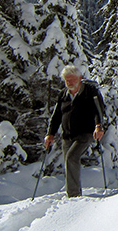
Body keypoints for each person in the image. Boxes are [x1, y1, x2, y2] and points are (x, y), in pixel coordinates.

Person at [44, 64, 106, 197]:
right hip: (67, 135)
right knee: (68, 161)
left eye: (72, 79)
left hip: (86, 133)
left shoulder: (90, 92)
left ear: (80, 78)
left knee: (72, 157)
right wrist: (50, 134)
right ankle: (73, 192)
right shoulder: (63, 95)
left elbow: (99, 110)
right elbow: (56, 116)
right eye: (67, 80)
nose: (70, 82)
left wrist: (99, 126)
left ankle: (73, 195)